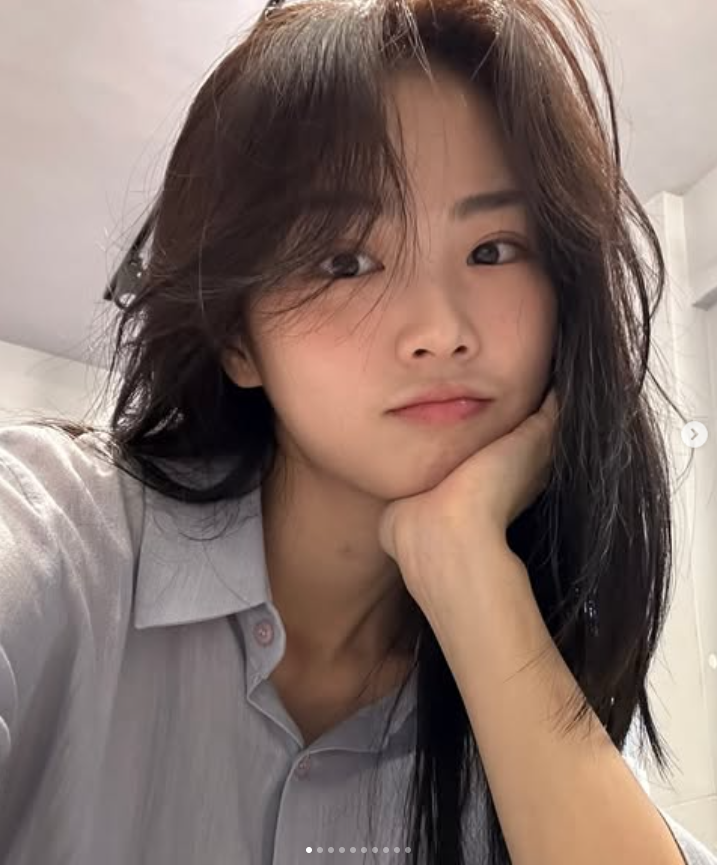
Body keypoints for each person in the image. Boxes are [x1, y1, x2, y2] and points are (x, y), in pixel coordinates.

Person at [0, 0, 714, 863]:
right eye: (344, 261)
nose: (440, 329)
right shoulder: (53, 543)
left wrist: (467, 573)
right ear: (236, 338)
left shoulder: (529, 692)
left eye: (492, 249)